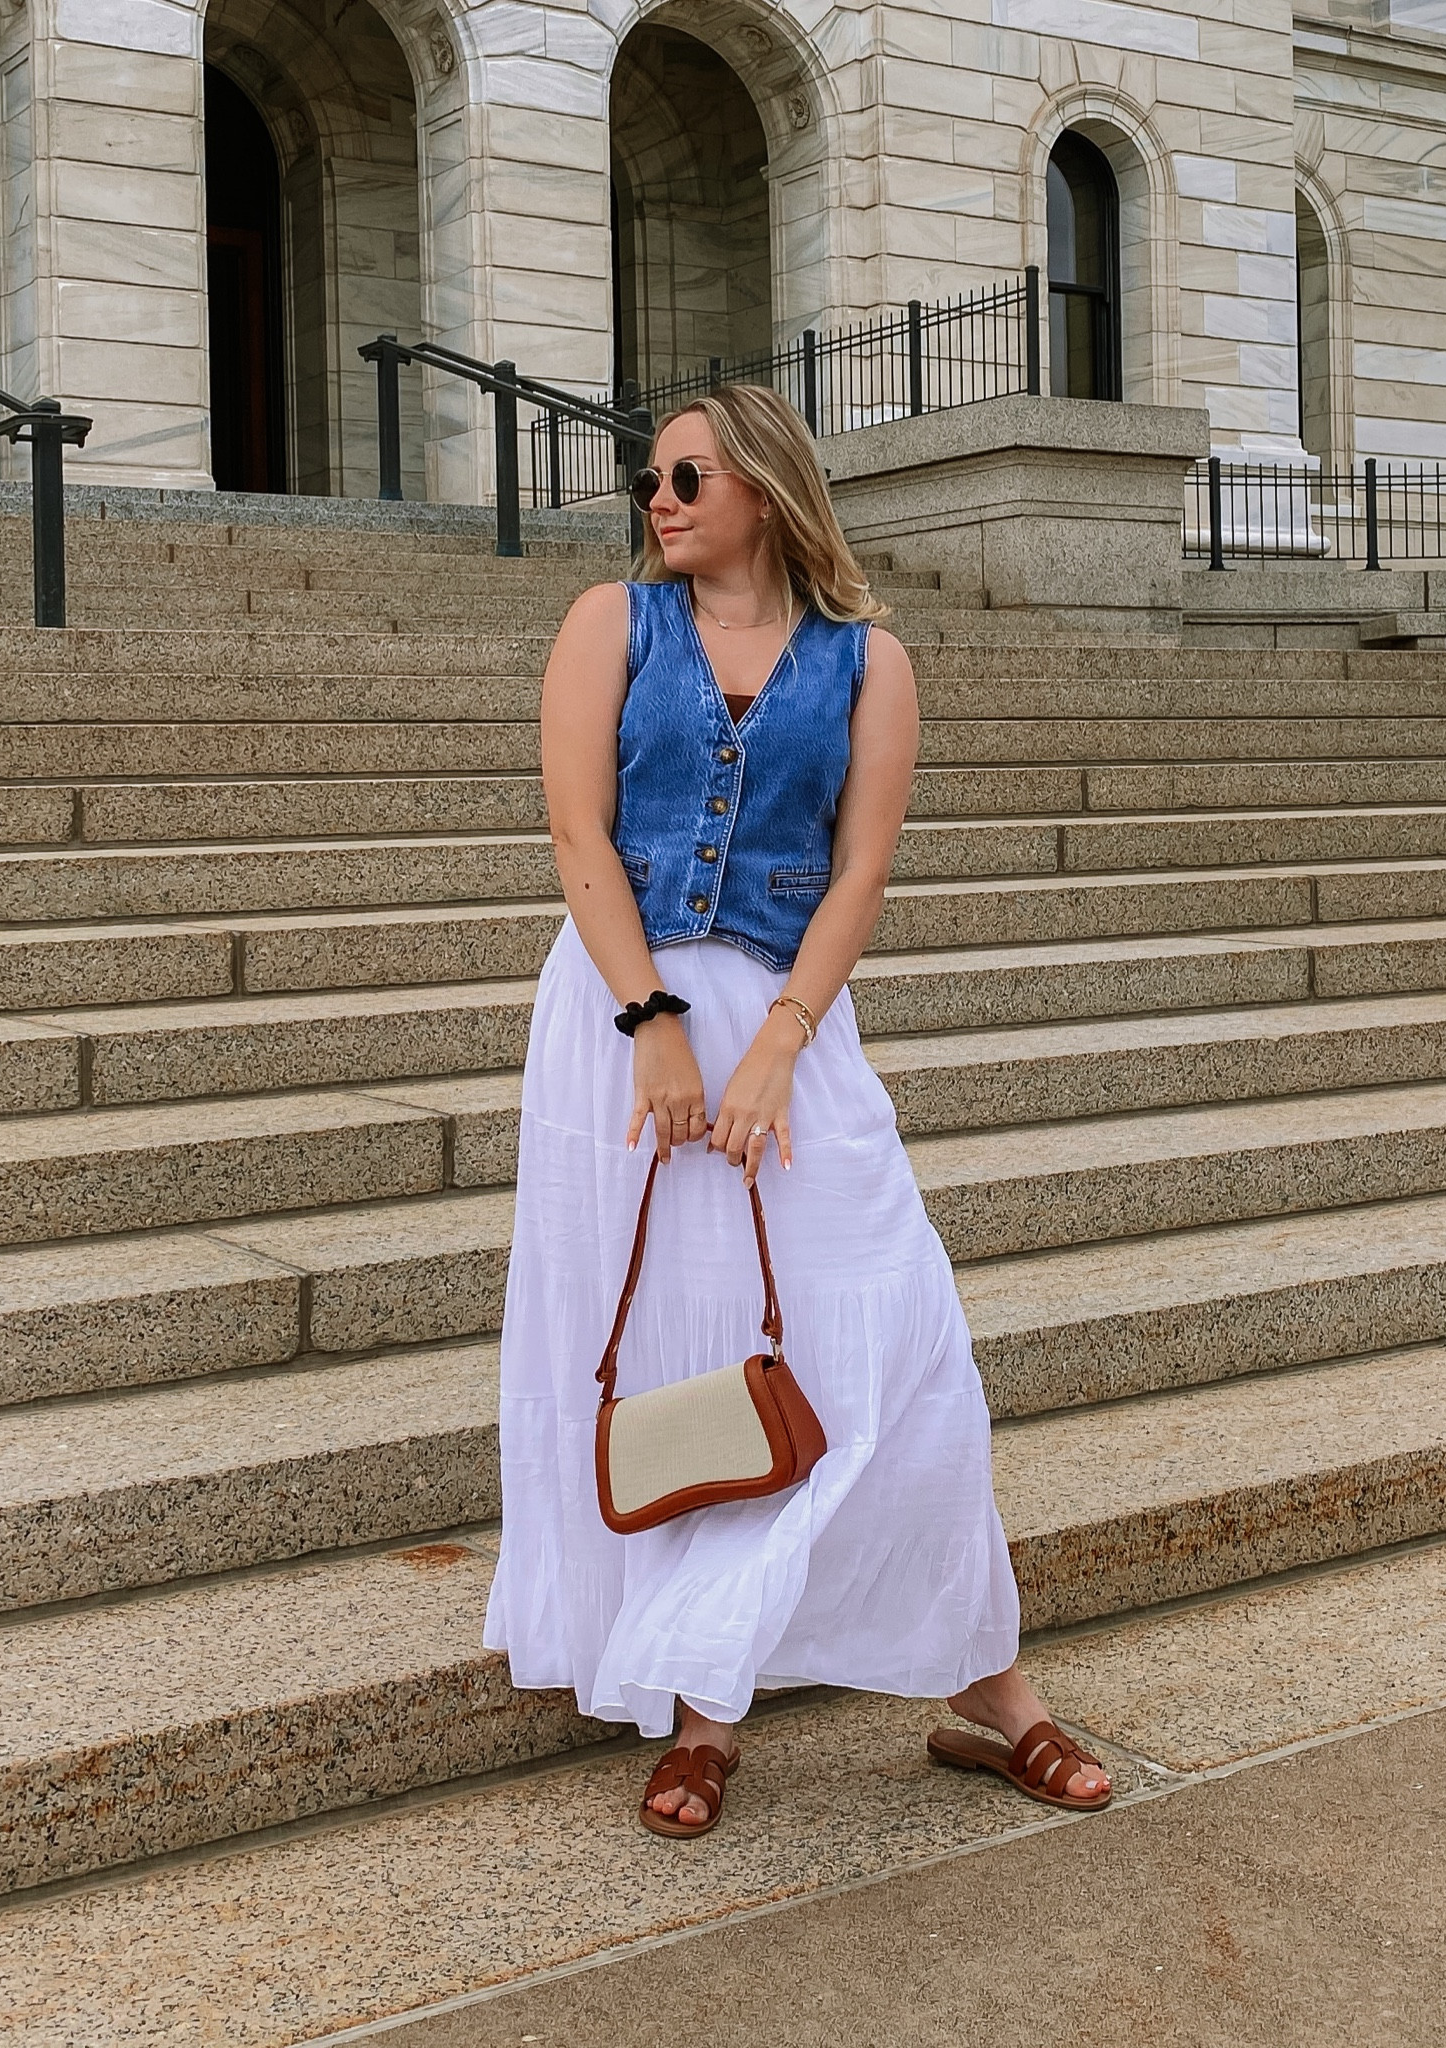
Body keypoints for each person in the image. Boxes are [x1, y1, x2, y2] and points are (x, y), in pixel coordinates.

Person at [484, 384, 1112, 1835]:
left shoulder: (867, 661)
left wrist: (773, 1044)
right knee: (665, 1342)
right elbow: (578, 829)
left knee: (893, 1335)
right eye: (651, 478)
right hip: (614, 1024)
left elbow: (858, 879)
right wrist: (650, 1021)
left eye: (690, 473)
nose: (661, 497)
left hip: (790, 1030)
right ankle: (708, 1711)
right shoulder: (611, 626)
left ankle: (985, 1686)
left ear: (765, 485)